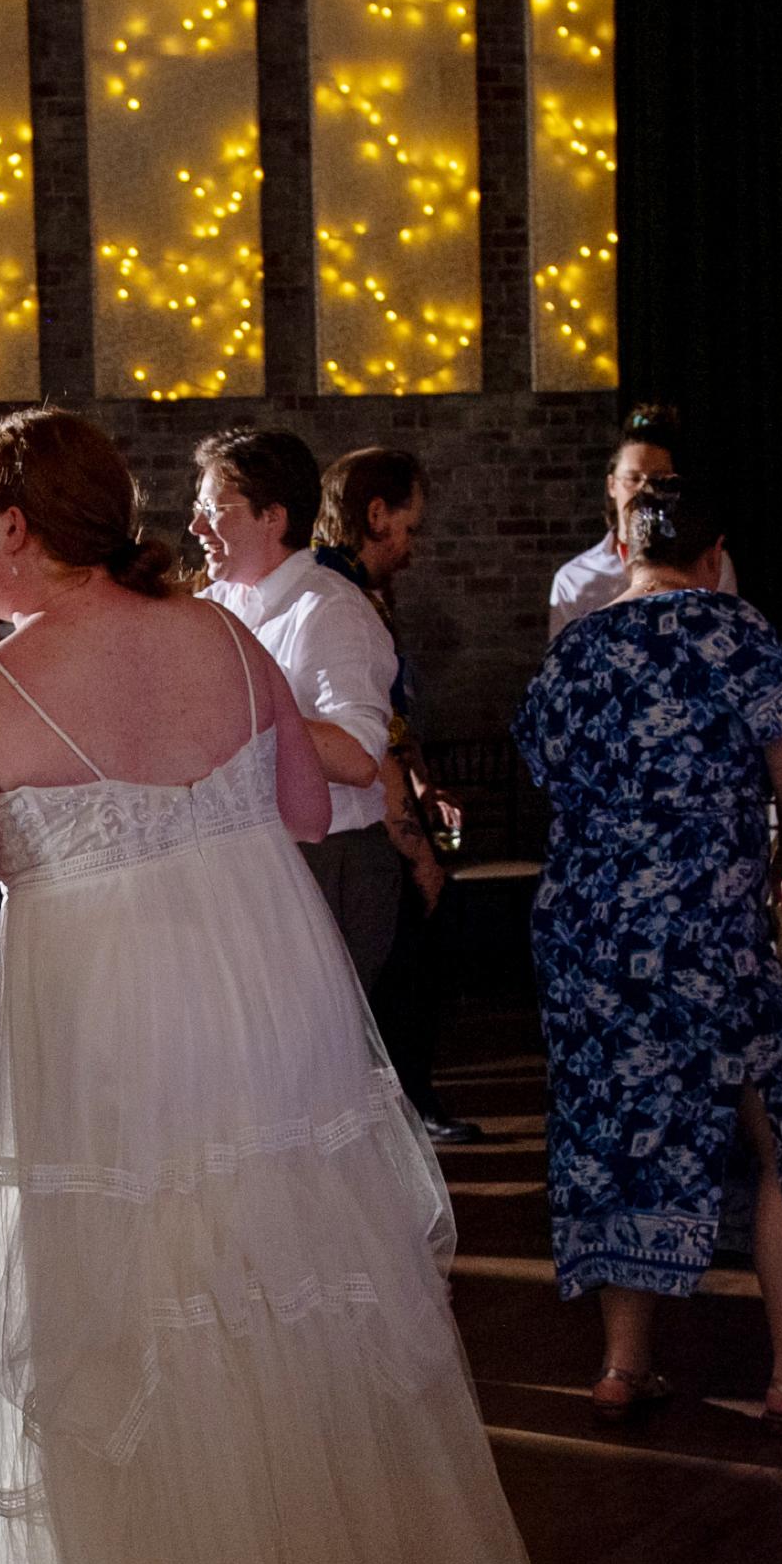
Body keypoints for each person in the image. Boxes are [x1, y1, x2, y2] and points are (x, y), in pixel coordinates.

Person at [0, 405, 596, 1564]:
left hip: (108, 1014)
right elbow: (300, 809)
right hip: (261, 982)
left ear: (17, 525)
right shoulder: (219, 635)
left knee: (148, 1286)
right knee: (291, 1267)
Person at [514, 471, 782, 1435]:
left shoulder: (574, 649)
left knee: (616, 1128)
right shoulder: (734, 629)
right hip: (702, 933)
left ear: (625, 551)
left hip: (584, 937)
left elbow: (544, 772)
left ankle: (623, 1365)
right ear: (713, 555)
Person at [189, 425, 403, 997]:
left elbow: (358, 758)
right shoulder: (215, 605)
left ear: (272, 517)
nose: (196, 527)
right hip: (249, 855)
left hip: (329, 859)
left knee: (318, 1036)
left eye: (213, 510)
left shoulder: (330, 610)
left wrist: (240, 712)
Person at [312, 445, 480, 1144]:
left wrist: (423, 779)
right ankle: (400, 1114)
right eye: (409, 528)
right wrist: (420, 855)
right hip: (360, 829)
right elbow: (366, 741)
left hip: (378, 813)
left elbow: (393, 717)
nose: (412, 548)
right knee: (395, 975)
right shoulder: (340, 599)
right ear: (375, 514)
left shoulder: (357, 592)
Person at [542, 403, 735, 638]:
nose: (645, 489)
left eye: (658, 478)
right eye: (633, 478)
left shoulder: (707, 558)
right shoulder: (574, 577)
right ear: (612, 485)